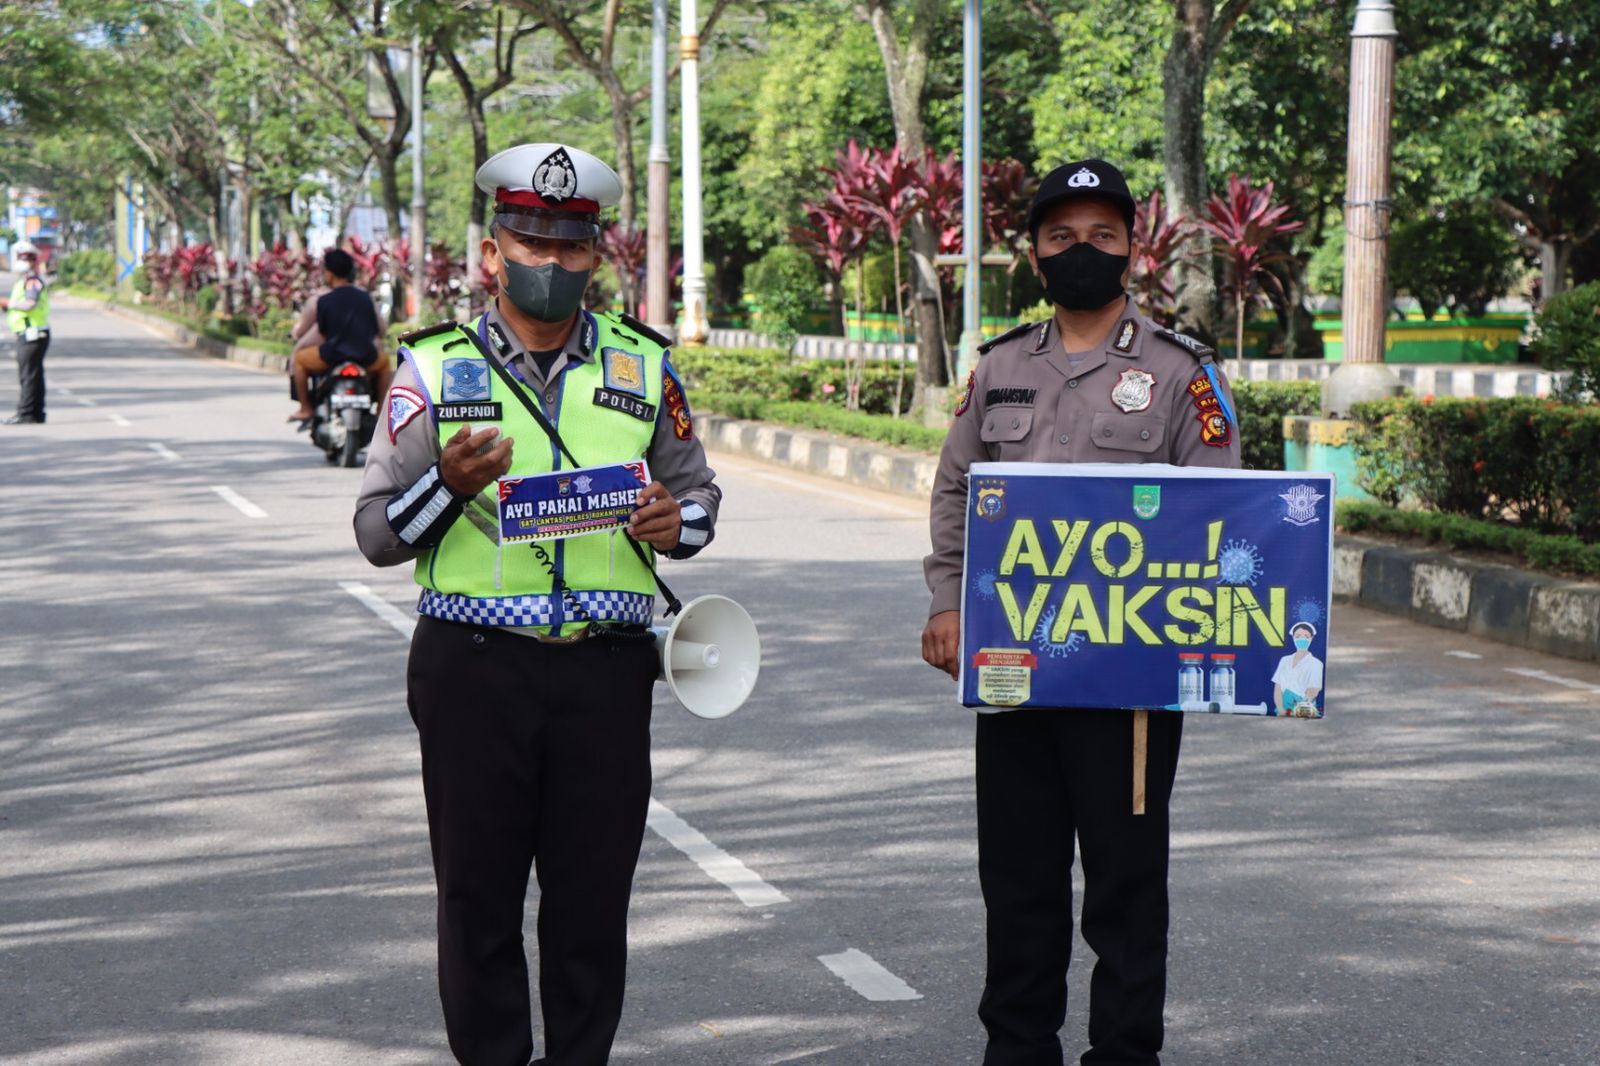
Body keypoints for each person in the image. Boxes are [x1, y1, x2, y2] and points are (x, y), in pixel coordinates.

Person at [354, 142, 720, 1066]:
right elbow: (376, 534)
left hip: (605, 671)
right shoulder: (434, 369)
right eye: (530, 244)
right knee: (476, 900)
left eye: (569, 248)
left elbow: (702, 500)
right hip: (473, 671)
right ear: (493, 253)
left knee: (593, 902)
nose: (549, 265)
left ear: (596, 256)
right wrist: (443, 482)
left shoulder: (644, 369)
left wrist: (675, 521)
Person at [921, 159, 1242, 1066]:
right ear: (1034, 253)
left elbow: (1217, 515)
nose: (1082, 252)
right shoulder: (999, 368)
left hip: (1129, 684)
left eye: (1102, 236)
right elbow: (956, 493)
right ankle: (1017, 1053)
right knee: (1017, 886)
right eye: (1062, 237)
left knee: (1126, 893)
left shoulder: (1183, 375)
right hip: (1011, 666)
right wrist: (948, 601)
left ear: (1132, 249)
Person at [289, 248, 389, 422]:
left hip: (331, 356)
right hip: (366, 357)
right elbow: (380, 330)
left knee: (299, 360)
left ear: (329, 273)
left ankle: (305, 408)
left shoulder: (324, 300)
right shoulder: (365, 297)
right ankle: (381, 411)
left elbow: (322, 332)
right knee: (386, 363)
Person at [2, 240, 51, 424]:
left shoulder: (32, 282)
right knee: (34, 373)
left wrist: (9, 304)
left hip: (32, 334)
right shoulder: (25, 281)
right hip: (32, 333)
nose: (23, 261)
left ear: (32, 260)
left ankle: (27, 413)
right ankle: (36, 413)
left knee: (28, 375)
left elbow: (30, 304)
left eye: (26, 257)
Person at [1272, 622, 1323, 716]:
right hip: (1282, 708)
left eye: (1306, 636)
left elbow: (1313, 691)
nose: (1302, 639)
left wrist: (1297, 709)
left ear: (1311, 638)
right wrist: (1281, 709)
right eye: (1298, 636)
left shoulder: (1316, 664)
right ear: (1293, 638)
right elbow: (1277, 687)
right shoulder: (1285, 660)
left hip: (1304, 709)